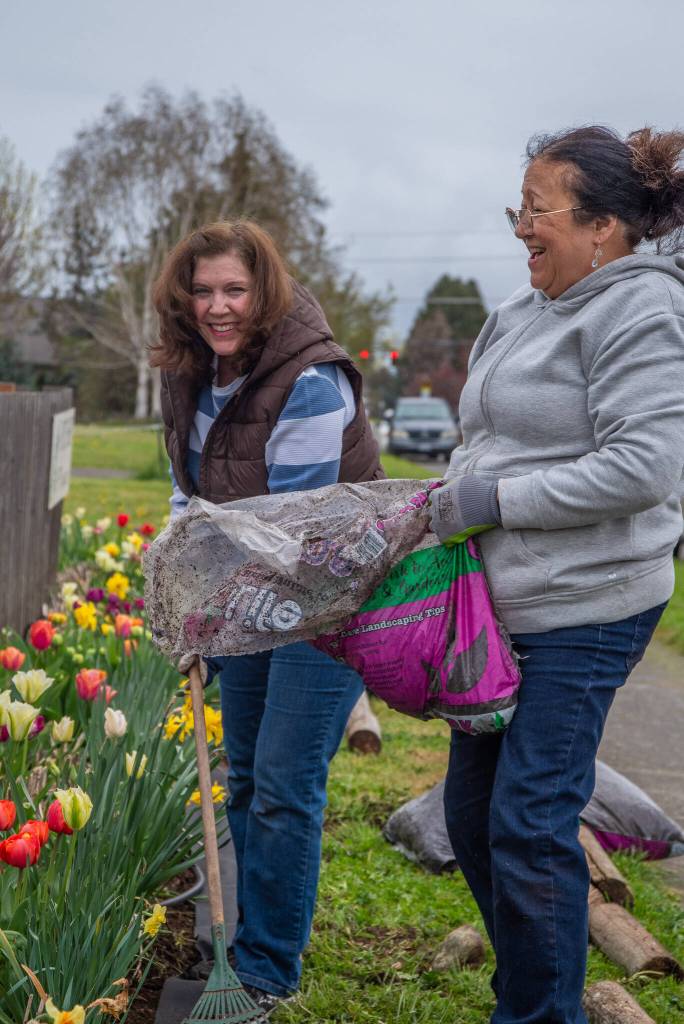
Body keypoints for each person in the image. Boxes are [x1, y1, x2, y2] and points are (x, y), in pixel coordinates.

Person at [429, 126, 684, 1024]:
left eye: (536, 211)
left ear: (605, 225)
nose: (521, 229)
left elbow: (643, 469)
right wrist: (443, 498)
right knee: (471, 819)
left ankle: (541, 1013)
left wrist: (490, 499)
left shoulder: (642, 312)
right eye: (518, 209)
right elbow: (483, 446)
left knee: (531, 822)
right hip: (504, 606)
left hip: (591, 604)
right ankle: (537, 985)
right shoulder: (519, 310)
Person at [150, 220, 383, 1013]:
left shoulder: (310, 379)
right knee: (244, 774)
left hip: (327, 598)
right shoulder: (190, 373)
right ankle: (249, 944)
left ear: (266, 292)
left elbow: (296, 528)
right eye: (204, 290)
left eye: (235, 290)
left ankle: (267, 972)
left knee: (284, 782)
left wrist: (208, 591)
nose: (218, 307)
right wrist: (184, 593)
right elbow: (191, 497)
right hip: (246, 595)